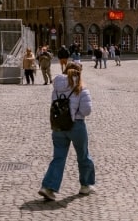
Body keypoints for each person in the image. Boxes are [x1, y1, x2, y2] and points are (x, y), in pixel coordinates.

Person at [39, 61, 95, 201]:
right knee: (83, 155)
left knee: (58, 157)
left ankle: (48, 187)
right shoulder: (81, 88)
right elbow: (86, 110)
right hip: (76, 125)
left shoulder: (56, 87)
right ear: (79, 73)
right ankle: (85, 185)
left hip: (58, 126)